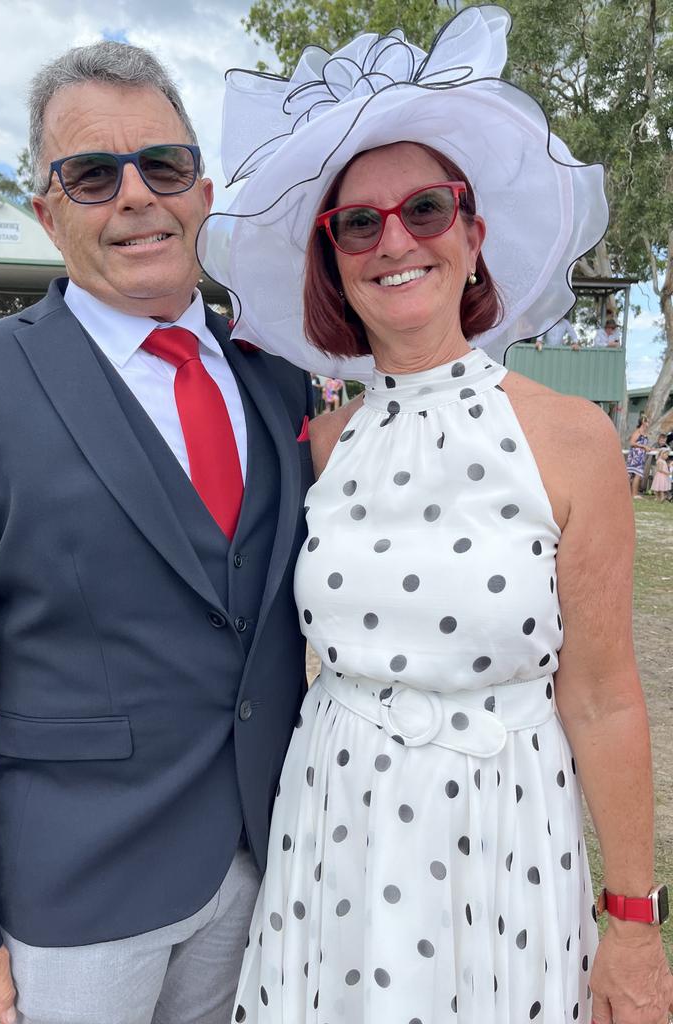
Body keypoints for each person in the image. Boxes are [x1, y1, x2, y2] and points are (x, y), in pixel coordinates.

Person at [201, 7, 673, 1023]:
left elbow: (601, 697)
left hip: (503, 842)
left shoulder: (573, 437)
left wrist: (634, 920)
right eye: (358, 223)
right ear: (332, 259)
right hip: (336, 836)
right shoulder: (323, 447)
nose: (394, 241)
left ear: (473, 231)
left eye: (423, 208)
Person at [0, 40, 314, 1024]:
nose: (135, 196)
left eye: (161, 166)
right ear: (50, 213)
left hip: (265, 871)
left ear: (202, 192)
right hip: (72, 896)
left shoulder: (275, 376)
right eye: (93, 174)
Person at [627, 415, 652, 498]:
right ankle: (634, 494)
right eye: (647, 421)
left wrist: (648, 448)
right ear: (643, 422)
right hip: (635, 456)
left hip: (641, 456)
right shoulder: (637, 432)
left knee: (635, 475)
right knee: (635, 475)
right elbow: (631, 443)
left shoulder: (644, 433)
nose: (648, 423)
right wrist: (644, 447)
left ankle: (632, 493)